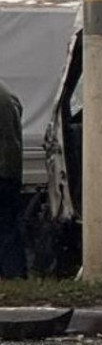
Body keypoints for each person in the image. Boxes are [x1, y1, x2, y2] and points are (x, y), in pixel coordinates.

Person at [0, 78, 26, 280]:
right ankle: (15, 276)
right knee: (8, 228)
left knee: (5, 230)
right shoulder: (6, 93)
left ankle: (12, 276)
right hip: (10, 171)